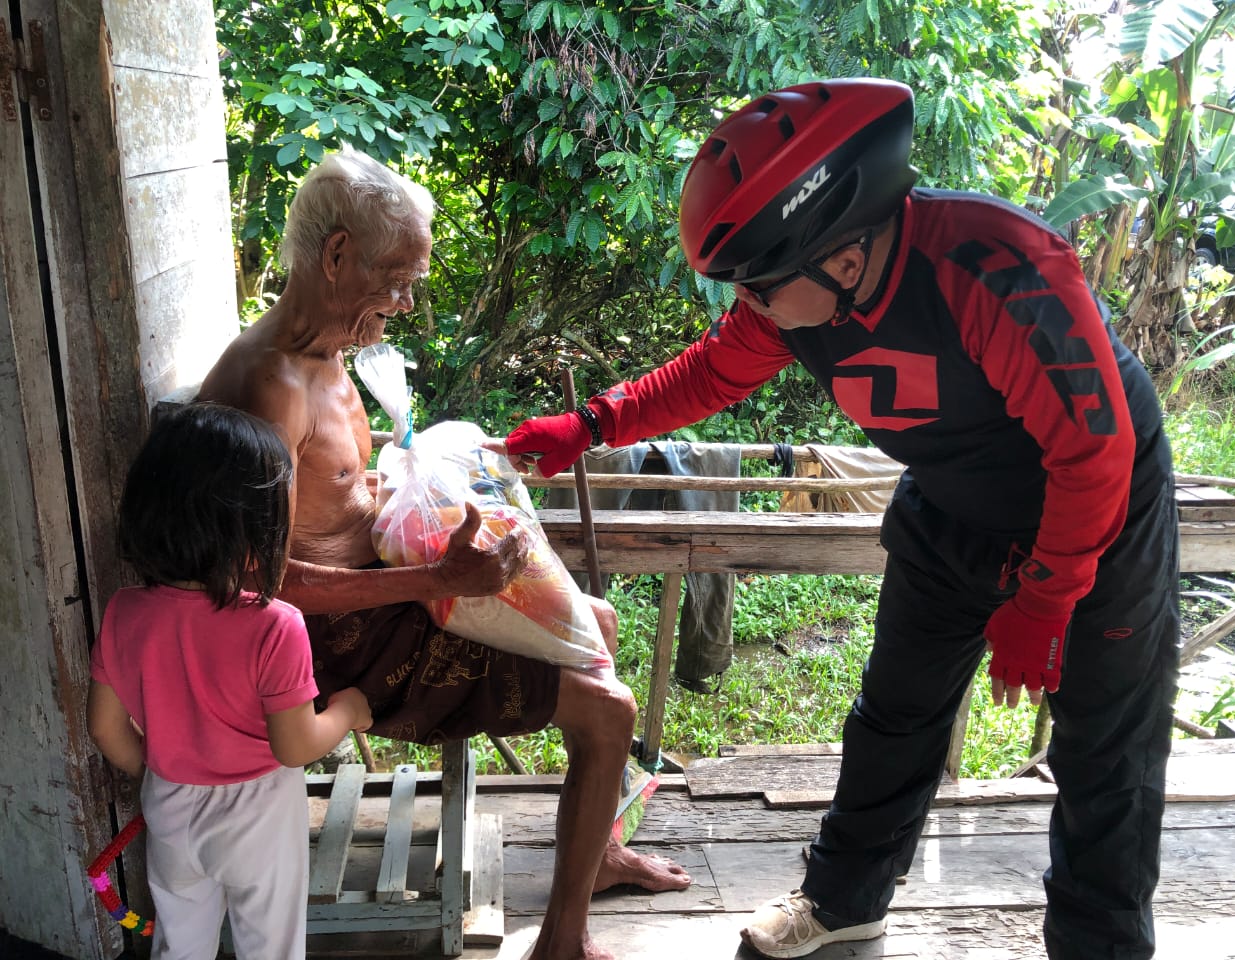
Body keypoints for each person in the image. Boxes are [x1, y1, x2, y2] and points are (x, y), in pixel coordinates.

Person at [488, 78, 1179, 960]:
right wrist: (592, 425)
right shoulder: (794, 292)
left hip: (1098, 511)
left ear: (844, 258)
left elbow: (1092, 454)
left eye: (759, 286)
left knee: (1106, 750)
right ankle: (845, 900)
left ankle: (1101, 947)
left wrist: (1046, 601)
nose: (751, 306)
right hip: (949, 498)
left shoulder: (998, 269)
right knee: (894, 714)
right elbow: (710, 372)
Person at [197, 146, 690, 960]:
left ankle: (596, 855)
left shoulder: (330, 355)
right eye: (395, 278)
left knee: (595, 620)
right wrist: (439, 576)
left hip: (388, 595)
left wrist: (433, 486)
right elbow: (264, 584)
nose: (405, 300)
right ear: (335, 255)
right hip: (339, 648)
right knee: (611, 711)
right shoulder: (271, 385)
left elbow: (345, 493)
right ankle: (563, 943)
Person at [86, 403, 374, 958]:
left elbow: (105, 728)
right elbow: (294, 747)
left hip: (170, 805)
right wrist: (349, 712)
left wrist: (165, 766)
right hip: (259, 813)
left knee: (180, 942)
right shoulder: (275, 625)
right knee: (270, 946)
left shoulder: (123, 612)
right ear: (252, 538)